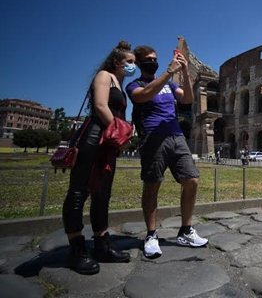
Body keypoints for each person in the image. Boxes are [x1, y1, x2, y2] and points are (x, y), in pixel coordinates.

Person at [126, 44, 208, 259]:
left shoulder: (170, 85)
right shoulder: (134, 84)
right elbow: (142, 96)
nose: (153, 62)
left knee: (191, 179)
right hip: (153, 137)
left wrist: (185, 73)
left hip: (176, 136)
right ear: (139, 62)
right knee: (153, 185)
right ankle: (151, 234)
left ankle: (186, 230)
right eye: (148, 59)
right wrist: (169, 72)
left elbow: (187, 99)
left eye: (155, 58)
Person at [62, 41, 135, 275]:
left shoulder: (120, 84)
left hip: (108, 141)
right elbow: (101, 106)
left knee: (102, 193)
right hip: (94, 136)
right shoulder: (104, 75)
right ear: (116, 62)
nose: (133, 66)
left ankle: (102, 243)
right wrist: (123, 132)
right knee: (78, 192)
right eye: (129, 62)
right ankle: (77, 249)